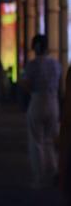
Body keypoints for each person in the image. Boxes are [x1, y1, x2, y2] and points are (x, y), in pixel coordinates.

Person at [21, 34, 62, 188]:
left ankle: (39, 178)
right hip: (53, 102)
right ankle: (54, 172)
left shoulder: (32, 65)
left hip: (37, 100)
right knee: (51, 139)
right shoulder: (56, 64)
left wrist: (31, 90)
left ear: (35, 47)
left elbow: (25, 83)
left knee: (36, 140)